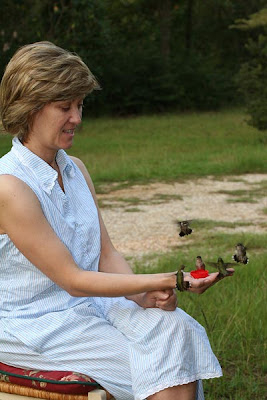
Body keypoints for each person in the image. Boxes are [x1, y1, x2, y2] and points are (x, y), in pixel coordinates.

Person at [0, 41, 233, 400]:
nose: (77, 118)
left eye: (80, 105)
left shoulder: (75, 170)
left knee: (177, 330)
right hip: (37, 323)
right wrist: (171, 278)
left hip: (89, 307)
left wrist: (144, 294)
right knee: (158, 365)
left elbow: (105, 255)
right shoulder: (9, 186)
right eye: (65, 107)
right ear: (29, 109)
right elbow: (72, 279)